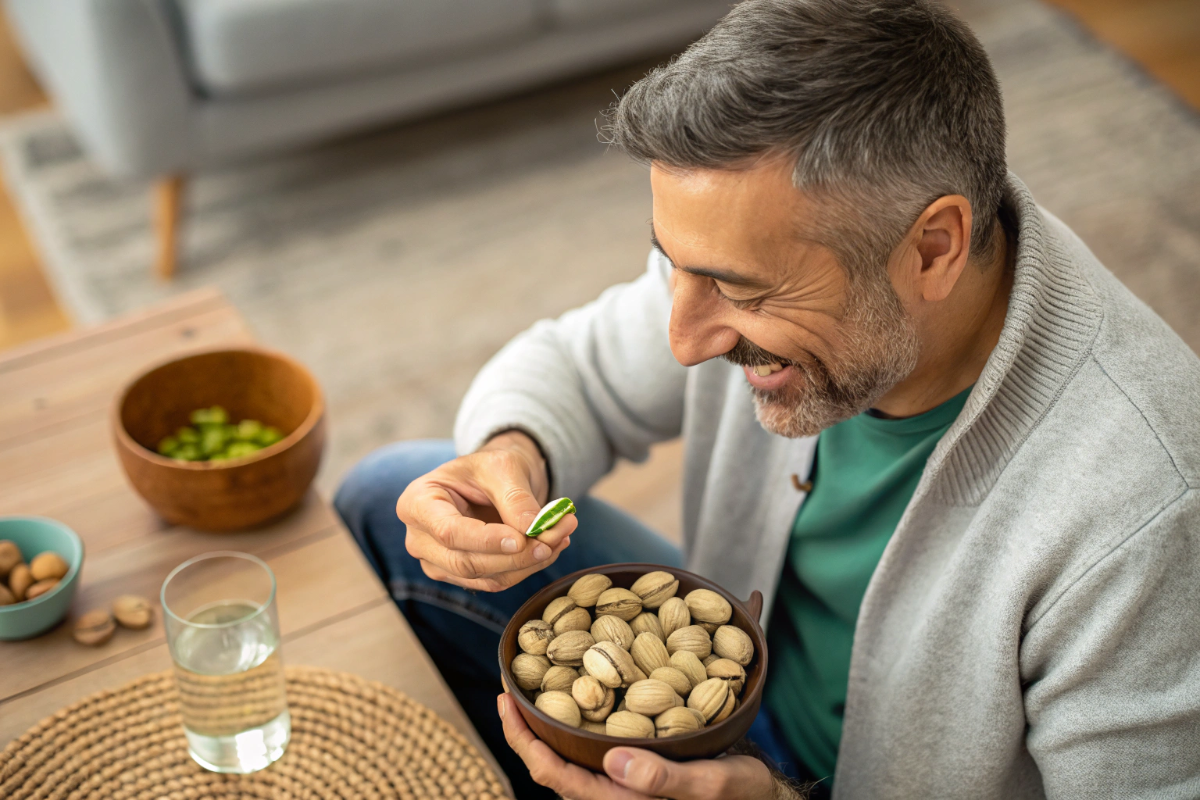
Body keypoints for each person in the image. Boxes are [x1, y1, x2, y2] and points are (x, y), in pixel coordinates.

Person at [335, 0, 1200, 797]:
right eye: (674, 265)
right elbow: (573, 367)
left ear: (933, 249)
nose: (684, 341)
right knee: (385, 496)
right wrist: (508, 458)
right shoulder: (772, 243)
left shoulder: (1144, 506)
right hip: (725, 686)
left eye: (741, 293)